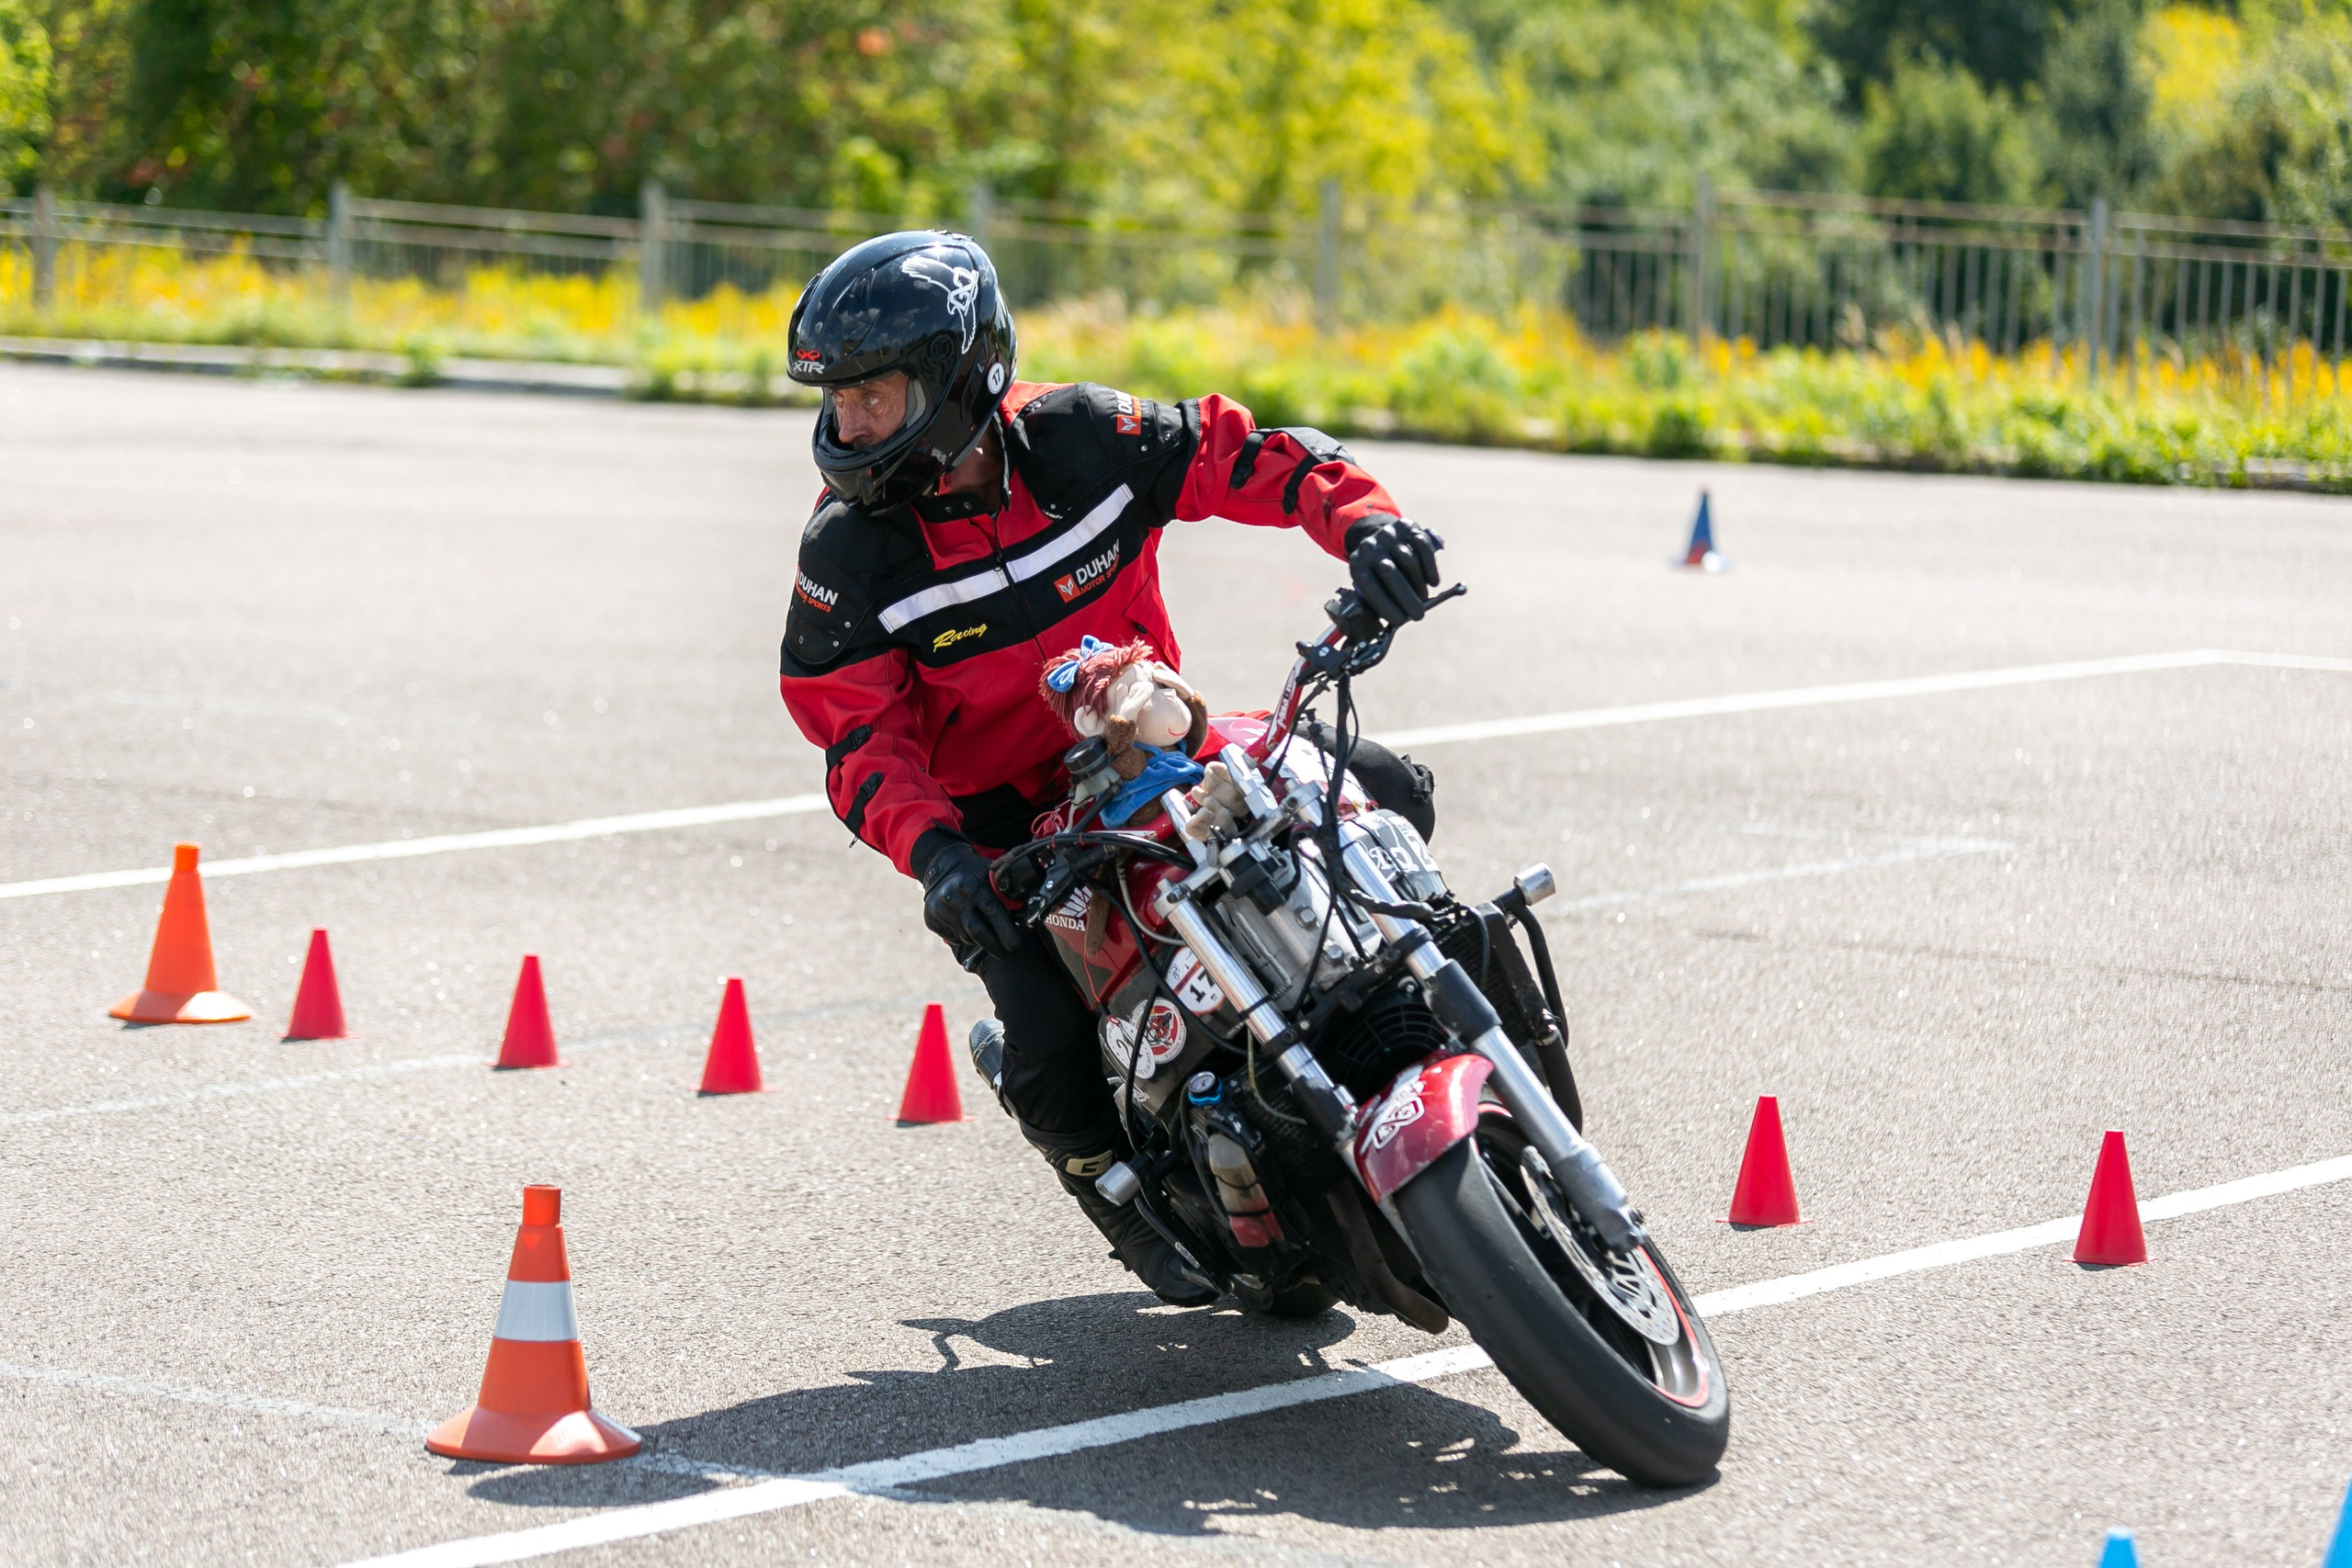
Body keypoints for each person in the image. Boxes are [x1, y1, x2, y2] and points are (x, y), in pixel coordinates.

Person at [776, 230, 1444, 1305]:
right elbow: (855, 737)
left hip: (1155, 747)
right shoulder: (847, 552)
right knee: (1044, 1034)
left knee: (1385, 789)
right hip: (1002, 832)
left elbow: (1249, 456)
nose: (845, 426)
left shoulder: (1082, 435)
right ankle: (1107, 1184)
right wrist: (938, 857)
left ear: (960, 379)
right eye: (835, 399)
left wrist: (1370, 527)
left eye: (871, 396)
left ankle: (1415, 1011)